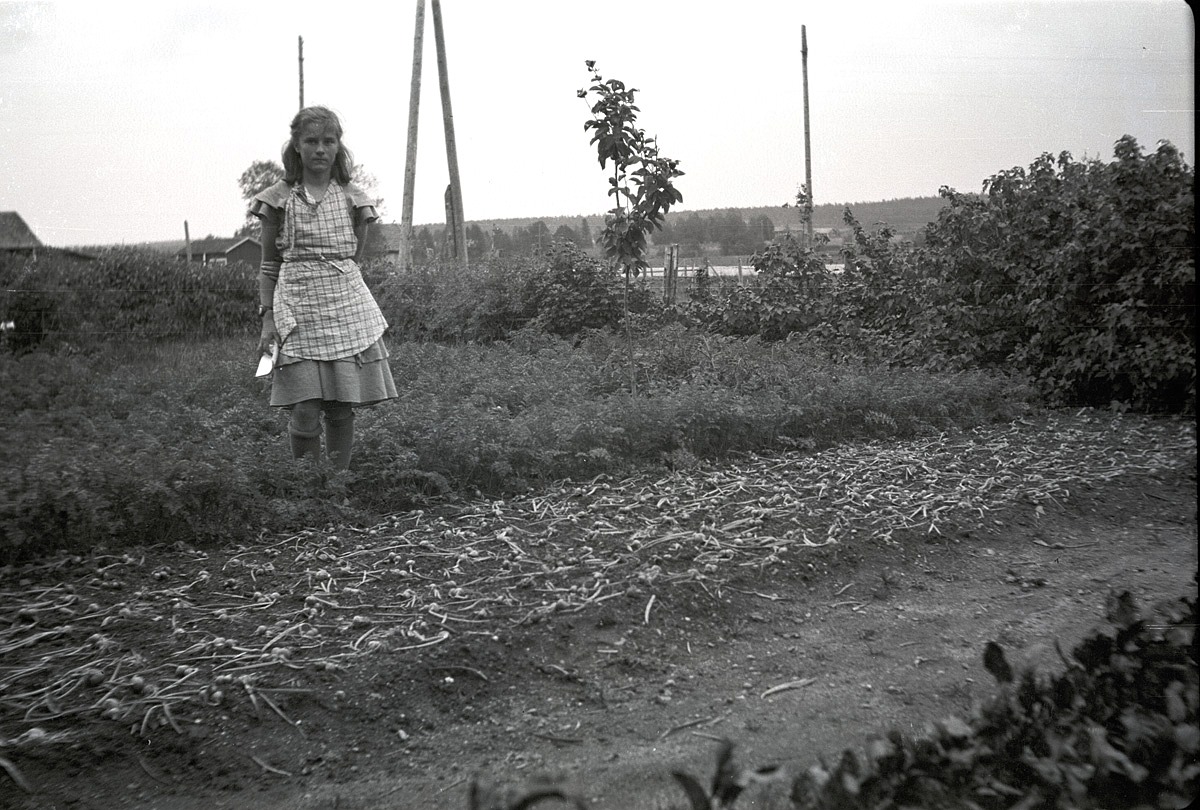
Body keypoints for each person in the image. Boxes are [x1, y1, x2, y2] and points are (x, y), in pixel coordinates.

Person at [250, 106, 396, 470]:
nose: (320, 149)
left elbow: (352, 259)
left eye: (328, 141)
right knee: (304, 407)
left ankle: (336, 484)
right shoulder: (278, 200)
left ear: (338, 147)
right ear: (296, 146)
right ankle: (308, 488)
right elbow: (269, 266)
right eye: (311, 141)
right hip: (296, 310)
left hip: (344, 307)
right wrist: (268, 319)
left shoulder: (353, 199)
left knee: (341, 404)